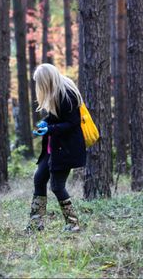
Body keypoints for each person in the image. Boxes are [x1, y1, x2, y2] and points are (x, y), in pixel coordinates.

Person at [26, 63, 86, 233]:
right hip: (53, 148)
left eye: (40, 81)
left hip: (66, 150)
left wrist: (50, 129)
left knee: (57, 186)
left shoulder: (67, 94)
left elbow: (72, 123)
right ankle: (35, 224)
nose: (38, 85)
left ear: (47, 80)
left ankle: (73, 224)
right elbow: (57, 116)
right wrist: (46, 121)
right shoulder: (55, 91)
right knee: (39, 179)